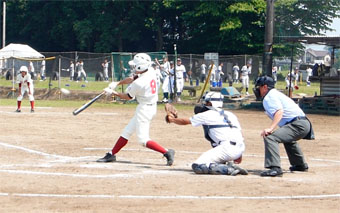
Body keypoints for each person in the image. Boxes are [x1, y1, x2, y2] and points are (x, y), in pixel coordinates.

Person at [98, 53, 175, 166]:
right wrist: (117, 83)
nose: (133, 67)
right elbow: (133, 78)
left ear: (140, 67)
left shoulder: (139, 83)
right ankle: (111, 154)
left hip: (145, 110)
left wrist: (112, 93)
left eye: (135, 65)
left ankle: (167, 152)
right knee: (127, 131)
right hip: (149, 107)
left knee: (143, 140)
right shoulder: (150, 71)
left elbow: (127, 97)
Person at [167, 91, 247, 175]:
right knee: (215, 160)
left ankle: (229, 169)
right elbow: (239, 135)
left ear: (210, 103)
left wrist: (171, 119)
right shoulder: (231, 115)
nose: (204, 104)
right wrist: (238, 155)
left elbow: (185, 121)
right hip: (240, 147)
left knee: (198, 166)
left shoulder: (207, 114)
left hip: (227, 149)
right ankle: (229, 165)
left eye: (206, 102)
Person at [253, 76, 314, 177]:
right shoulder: (274, 94)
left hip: (298, 125)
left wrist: (271, 128)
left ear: (265, 87)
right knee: (286, 138)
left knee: (270, 137)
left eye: (258, 87)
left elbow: (279, 112)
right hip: (303, 124)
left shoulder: (269, 97)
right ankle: (299, 165)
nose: (257, 90)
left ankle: (275, 168)